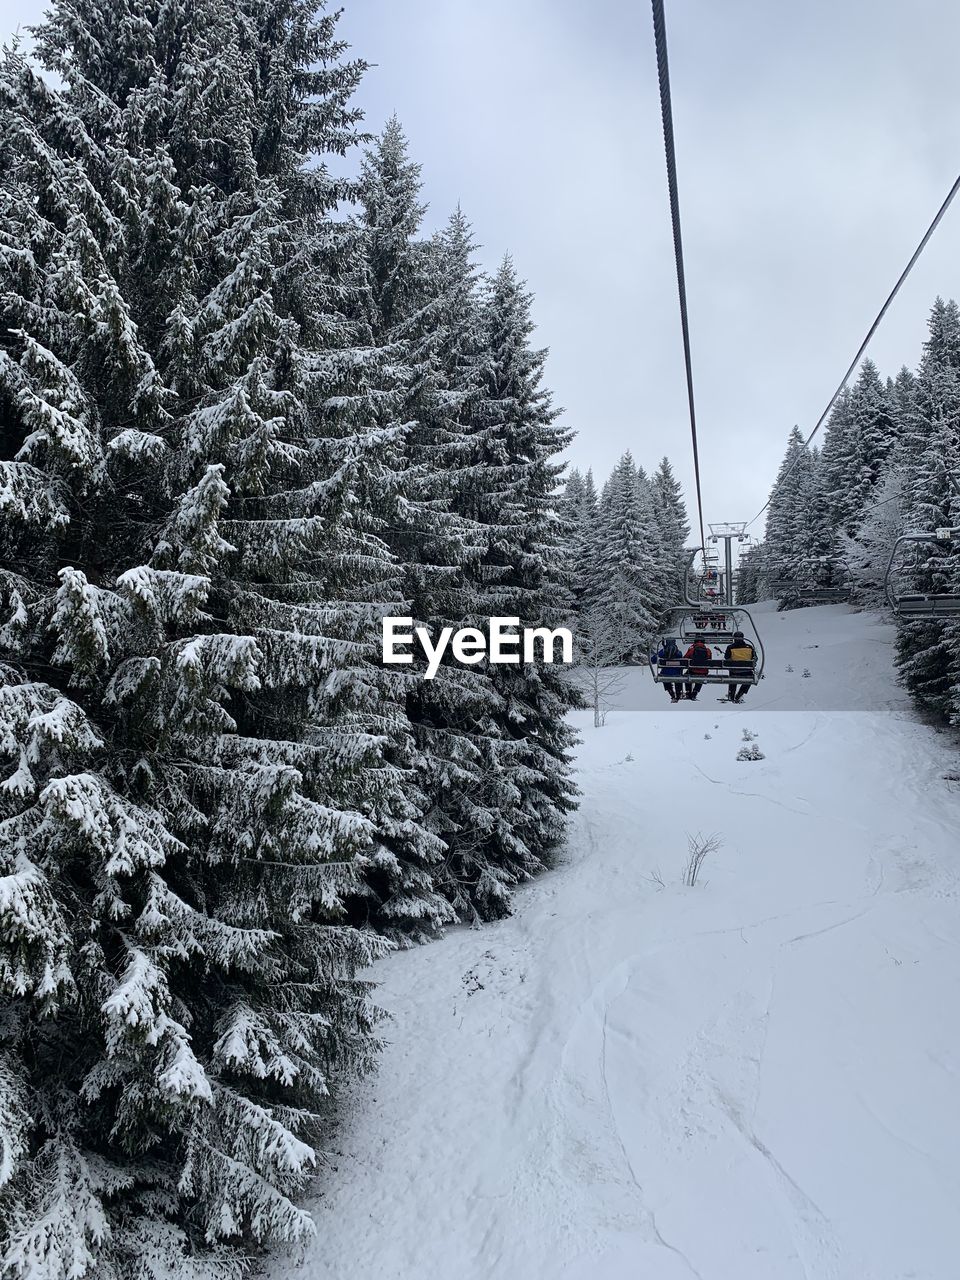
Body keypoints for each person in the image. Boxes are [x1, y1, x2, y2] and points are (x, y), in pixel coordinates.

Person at [724, 630, 757, 702]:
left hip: (734, 671)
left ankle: (731, 695)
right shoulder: (749, 647)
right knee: (750, 678)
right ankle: (740, 694)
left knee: (732, 677)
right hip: (747, 671)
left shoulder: (730, 647)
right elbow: (755, 658)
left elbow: (727, 658)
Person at [654, 637, 684, 702]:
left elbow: (653, 660)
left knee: (665, 677)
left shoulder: (663, 652)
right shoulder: (678, 652)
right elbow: (683, 662)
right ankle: (678, 694)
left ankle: (671, 693)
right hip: (677, 674)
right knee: (678, 678)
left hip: (665, 673)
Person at [683, 636, 712, 701]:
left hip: (693, 670)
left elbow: (685, 658)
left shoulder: (692, 649)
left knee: (686, 675)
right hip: (703, 672)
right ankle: (695, 692)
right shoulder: (708, 650)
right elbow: (710, 661)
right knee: (701, 676)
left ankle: (688, 692)